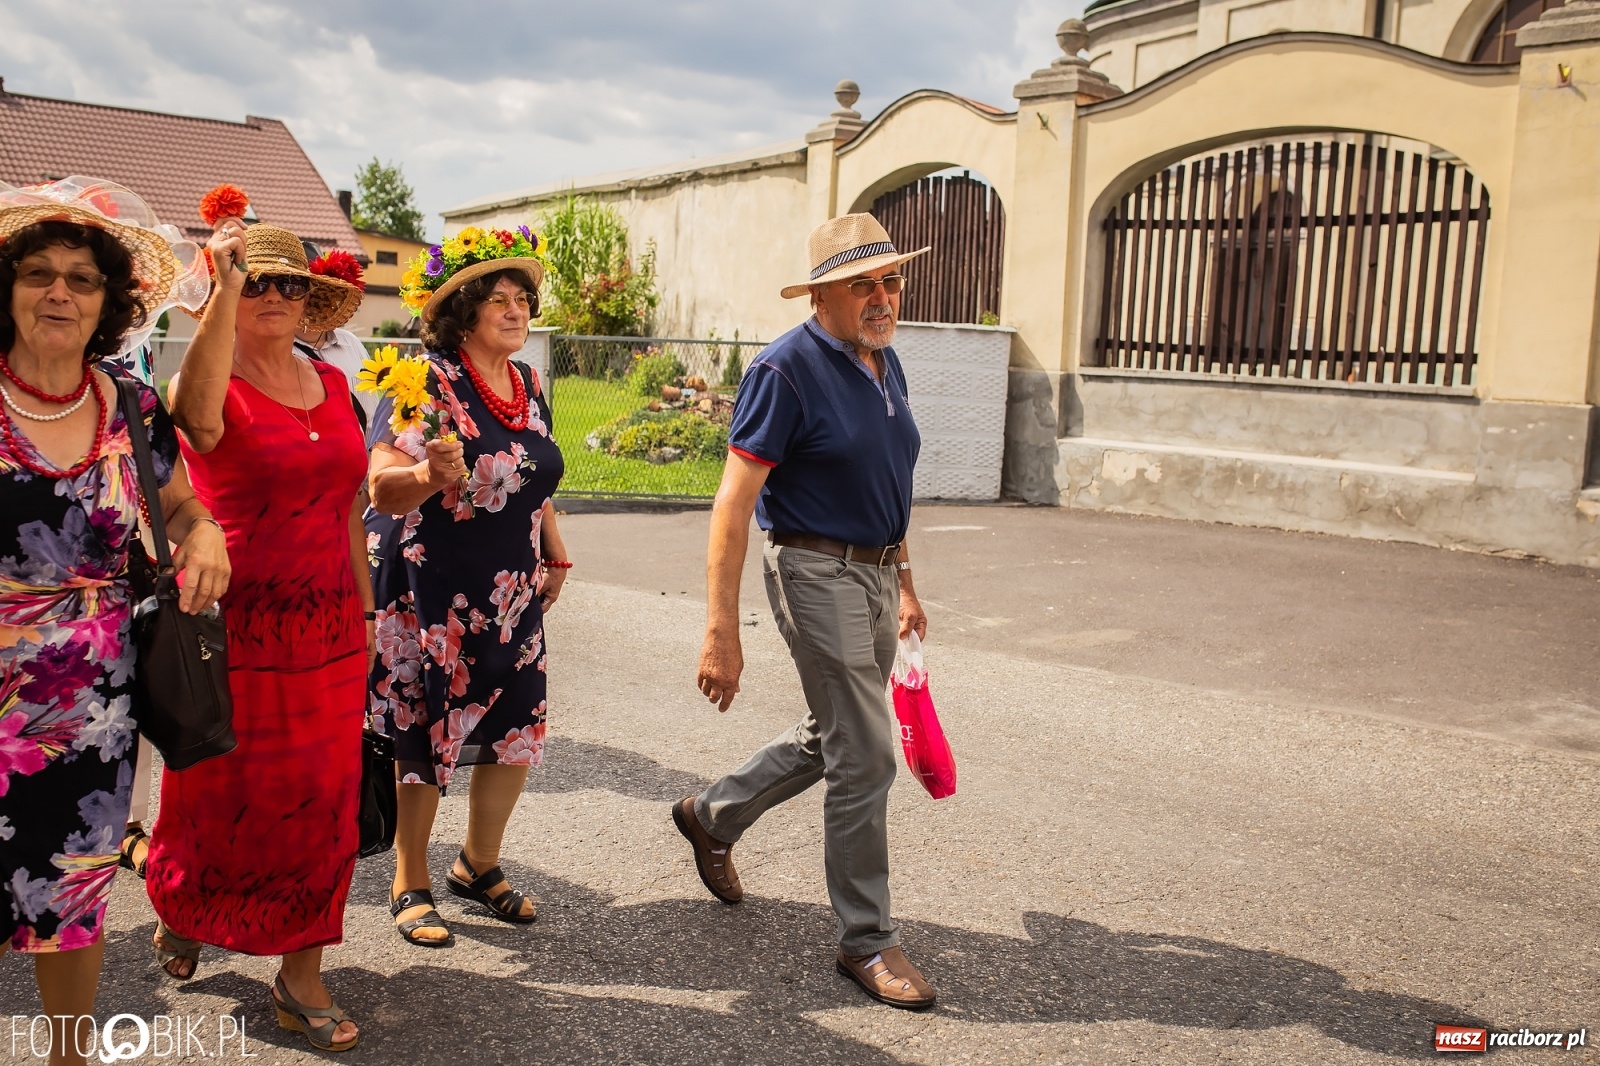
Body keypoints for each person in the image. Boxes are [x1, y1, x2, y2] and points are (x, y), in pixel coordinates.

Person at [678, 213, 936, 1009]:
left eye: (891, 280)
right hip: (811, 568)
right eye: (864, 283)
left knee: (836, 733)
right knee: (867, 752)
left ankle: (713, 815)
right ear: (822, 293)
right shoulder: (783, 371)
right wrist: (721, 629)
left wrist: (904, 580)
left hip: (871, 572)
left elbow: (886, 482)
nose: (883, 296)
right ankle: (868, 941)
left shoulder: (883, 364)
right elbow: (732, 504)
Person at [0, 178, 228, 1065]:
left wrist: (205, 535)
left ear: (108, 303)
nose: (59, 291)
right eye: (38, 273)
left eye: (81, 280)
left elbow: (182, 510)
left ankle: (68, 1054)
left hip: (92, 702)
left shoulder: (128, 405)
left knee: (75, 886)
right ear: (9, 288)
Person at [153, 223, 368, 1053]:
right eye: (257, 283)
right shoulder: (209, 377)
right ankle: (185, 906)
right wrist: (222, 290)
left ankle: (299, 974)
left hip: (331, 626)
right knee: (219, 796)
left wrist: (370, 608)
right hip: (234, 629)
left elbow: (349, 504)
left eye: (289, 286)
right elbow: (197, 428)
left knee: (324, 802)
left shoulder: (329, 378)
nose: (274, 296)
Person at [368, 226, 567, 948]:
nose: (517, 311)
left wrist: (556, 546)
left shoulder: (529, 384)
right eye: (499, 301)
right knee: (426, 728)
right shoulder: (422, 381)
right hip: (433, 582)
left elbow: (533, 476)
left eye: (523, 299)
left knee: (516, 725)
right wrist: (427, 475)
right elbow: (382, 487)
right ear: (463, 311)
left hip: (510, 582)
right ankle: (410, 880)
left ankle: (477, 865)